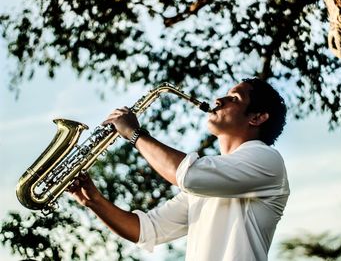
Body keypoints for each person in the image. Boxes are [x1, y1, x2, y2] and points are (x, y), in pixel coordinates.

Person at [69, 77, 290, 261]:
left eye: (234, 99)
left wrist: (134, 134)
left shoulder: (266, 158)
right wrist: (93, 200)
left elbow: (189, 175)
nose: (218, 100)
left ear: (257, 117)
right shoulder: (212, 178)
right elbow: (146, 230)